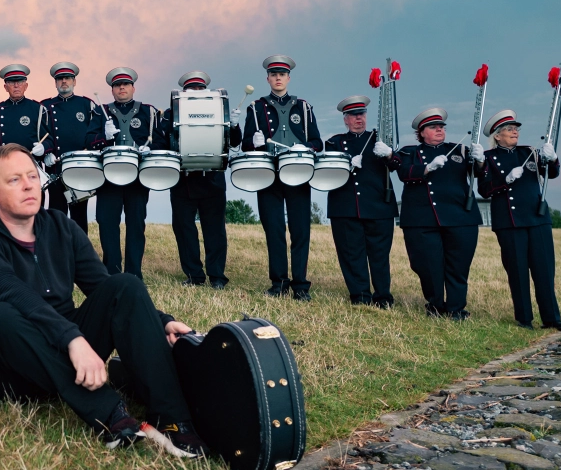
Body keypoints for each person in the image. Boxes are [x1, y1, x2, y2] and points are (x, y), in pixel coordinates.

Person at [0, 143, 206, 457]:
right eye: (14, 180)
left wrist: (162, 320)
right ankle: (110, 412)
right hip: (9, 365)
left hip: (66, 347)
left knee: (124, 284)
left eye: (32, 175)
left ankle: (172, 418)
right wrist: (72, 339)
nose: (29, 185)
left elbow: (102, 287)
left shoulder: (61, 227)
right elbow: (7, 290)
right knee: (1, 313)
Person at [241, 56, 322, 300]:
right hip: (268, 175)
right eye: (273, 74)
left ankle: (300, 286)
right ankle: (278, 282)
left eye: (282, 74)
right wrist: (254, 145)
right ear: (267, 78)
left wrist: (307, 148)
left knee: (300, 231)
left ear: (288, 78)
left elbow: (318, 142)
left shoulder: (304, 107)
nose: (278, 78)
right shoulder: (255, 108)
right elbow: (246, 145)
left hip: (297, 173)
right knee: (273, 230)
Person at [477, 109, 561, 330]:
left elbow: (551, 174)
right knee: (517, 271)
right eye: (509, 129)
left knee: (544, 270)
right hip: (509, 222)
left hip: (537, 218)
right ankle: (524, 318)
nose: (514, 132)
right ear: (497, 136)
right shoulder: (487, 159)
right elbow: (485, 190)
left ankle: (552, 318)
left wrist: (553, 158)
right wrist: (505, 180)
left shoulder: (531, 152)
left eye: (516, 129)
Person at [396, 107, 484, 320]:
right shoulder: (409, 153)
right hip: (422, 220)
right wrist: (426, 168)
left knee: (458, 265)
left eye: (441, 127)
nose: (439, 130)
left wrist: (480, 159)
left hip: (460, 217)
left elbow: (479, 174)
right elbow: (403, 173)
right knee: (427, 265)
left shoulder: (460, 150)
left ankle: (456, 308)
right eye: (433, 127)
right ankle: (434, 304)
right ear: (421, 131)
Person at [163, 71, 237, 289]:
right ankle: (194, 275)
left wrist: (233, 125)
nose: (195, 92)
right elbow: (160, 142)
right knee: (184, 230)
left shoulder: (217, 110)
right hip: (182, 181)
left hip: (212, 179)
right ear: (183, 93)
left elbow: (233, 141)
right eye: (191, 89)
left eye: (199, 89)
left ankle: (217, 277)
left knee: (214, 231)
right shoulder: (170, 114)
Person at [325, 95, 400, 307]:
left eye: (362, 114)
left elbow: (397, 165)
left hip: (379, 206)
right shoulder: (334, 142)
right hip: (346, 207)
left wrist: (388, 154)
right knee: (351, 254)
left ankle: (383, 296)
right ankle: (360, 295)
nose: (359, 119)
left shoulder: (380, 138)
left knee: (379, 255)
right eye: (354, 115)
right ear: (345, 119)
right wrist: (346, 164)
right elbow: (328, 172)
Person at [97, 67, 165, 278]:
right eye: (117, 85)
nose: (122, 88)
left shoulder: (149, 112)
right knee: (107, 224)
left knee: (136, 225)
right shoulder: (101, 112)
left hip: (137, 178)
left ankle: (134, 273)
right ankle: (111, 273)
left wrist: (150, 149)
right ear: (112, 90)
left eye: (126, 84)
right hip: (108, 178)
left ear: (133, 88)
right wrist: (104, 138)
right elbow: (88, 141)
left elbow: (161, 140)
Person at [42, 61, 105, 233]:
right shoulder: (45, 106)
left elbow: (93, 135)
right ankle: (57, 255)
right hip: (55, 167)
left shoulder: (87, 104)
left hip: (80, 167)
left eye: (68, 78)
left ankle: (80, 255)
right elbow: (42, 134)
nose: (64, 82)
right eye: (60, 79)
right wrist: (46, 152)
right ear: (55, 82)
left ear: (74, 82)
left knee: (79, 215)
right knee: (56, 213)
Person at [0, 64, 53, 164]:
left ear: (26, 86)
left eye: (20, 82)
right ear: (5, 87)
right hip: (4, 164)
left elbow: (49, 140)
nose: (16, 85)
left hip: (30, 164)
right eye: (12, 82)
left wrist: (44, 148)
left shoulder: (38, 109)